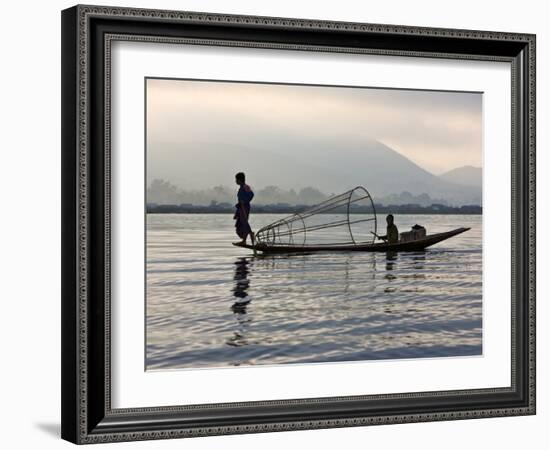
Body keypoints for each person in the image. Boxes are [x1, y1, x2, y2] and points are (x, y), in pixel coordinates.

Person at [233, 172, 255, 245]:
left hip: (245, 207)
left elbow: (251, 194)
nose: (235, 181)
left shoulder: (246, 187)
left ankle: (247, 238)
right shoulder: (241, 188)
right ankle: (247, 237)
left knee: (245, 223)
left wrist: (244, 201)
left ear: (240, 180)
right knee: (243, 223)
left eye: (236, 179)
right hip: (241, 207)